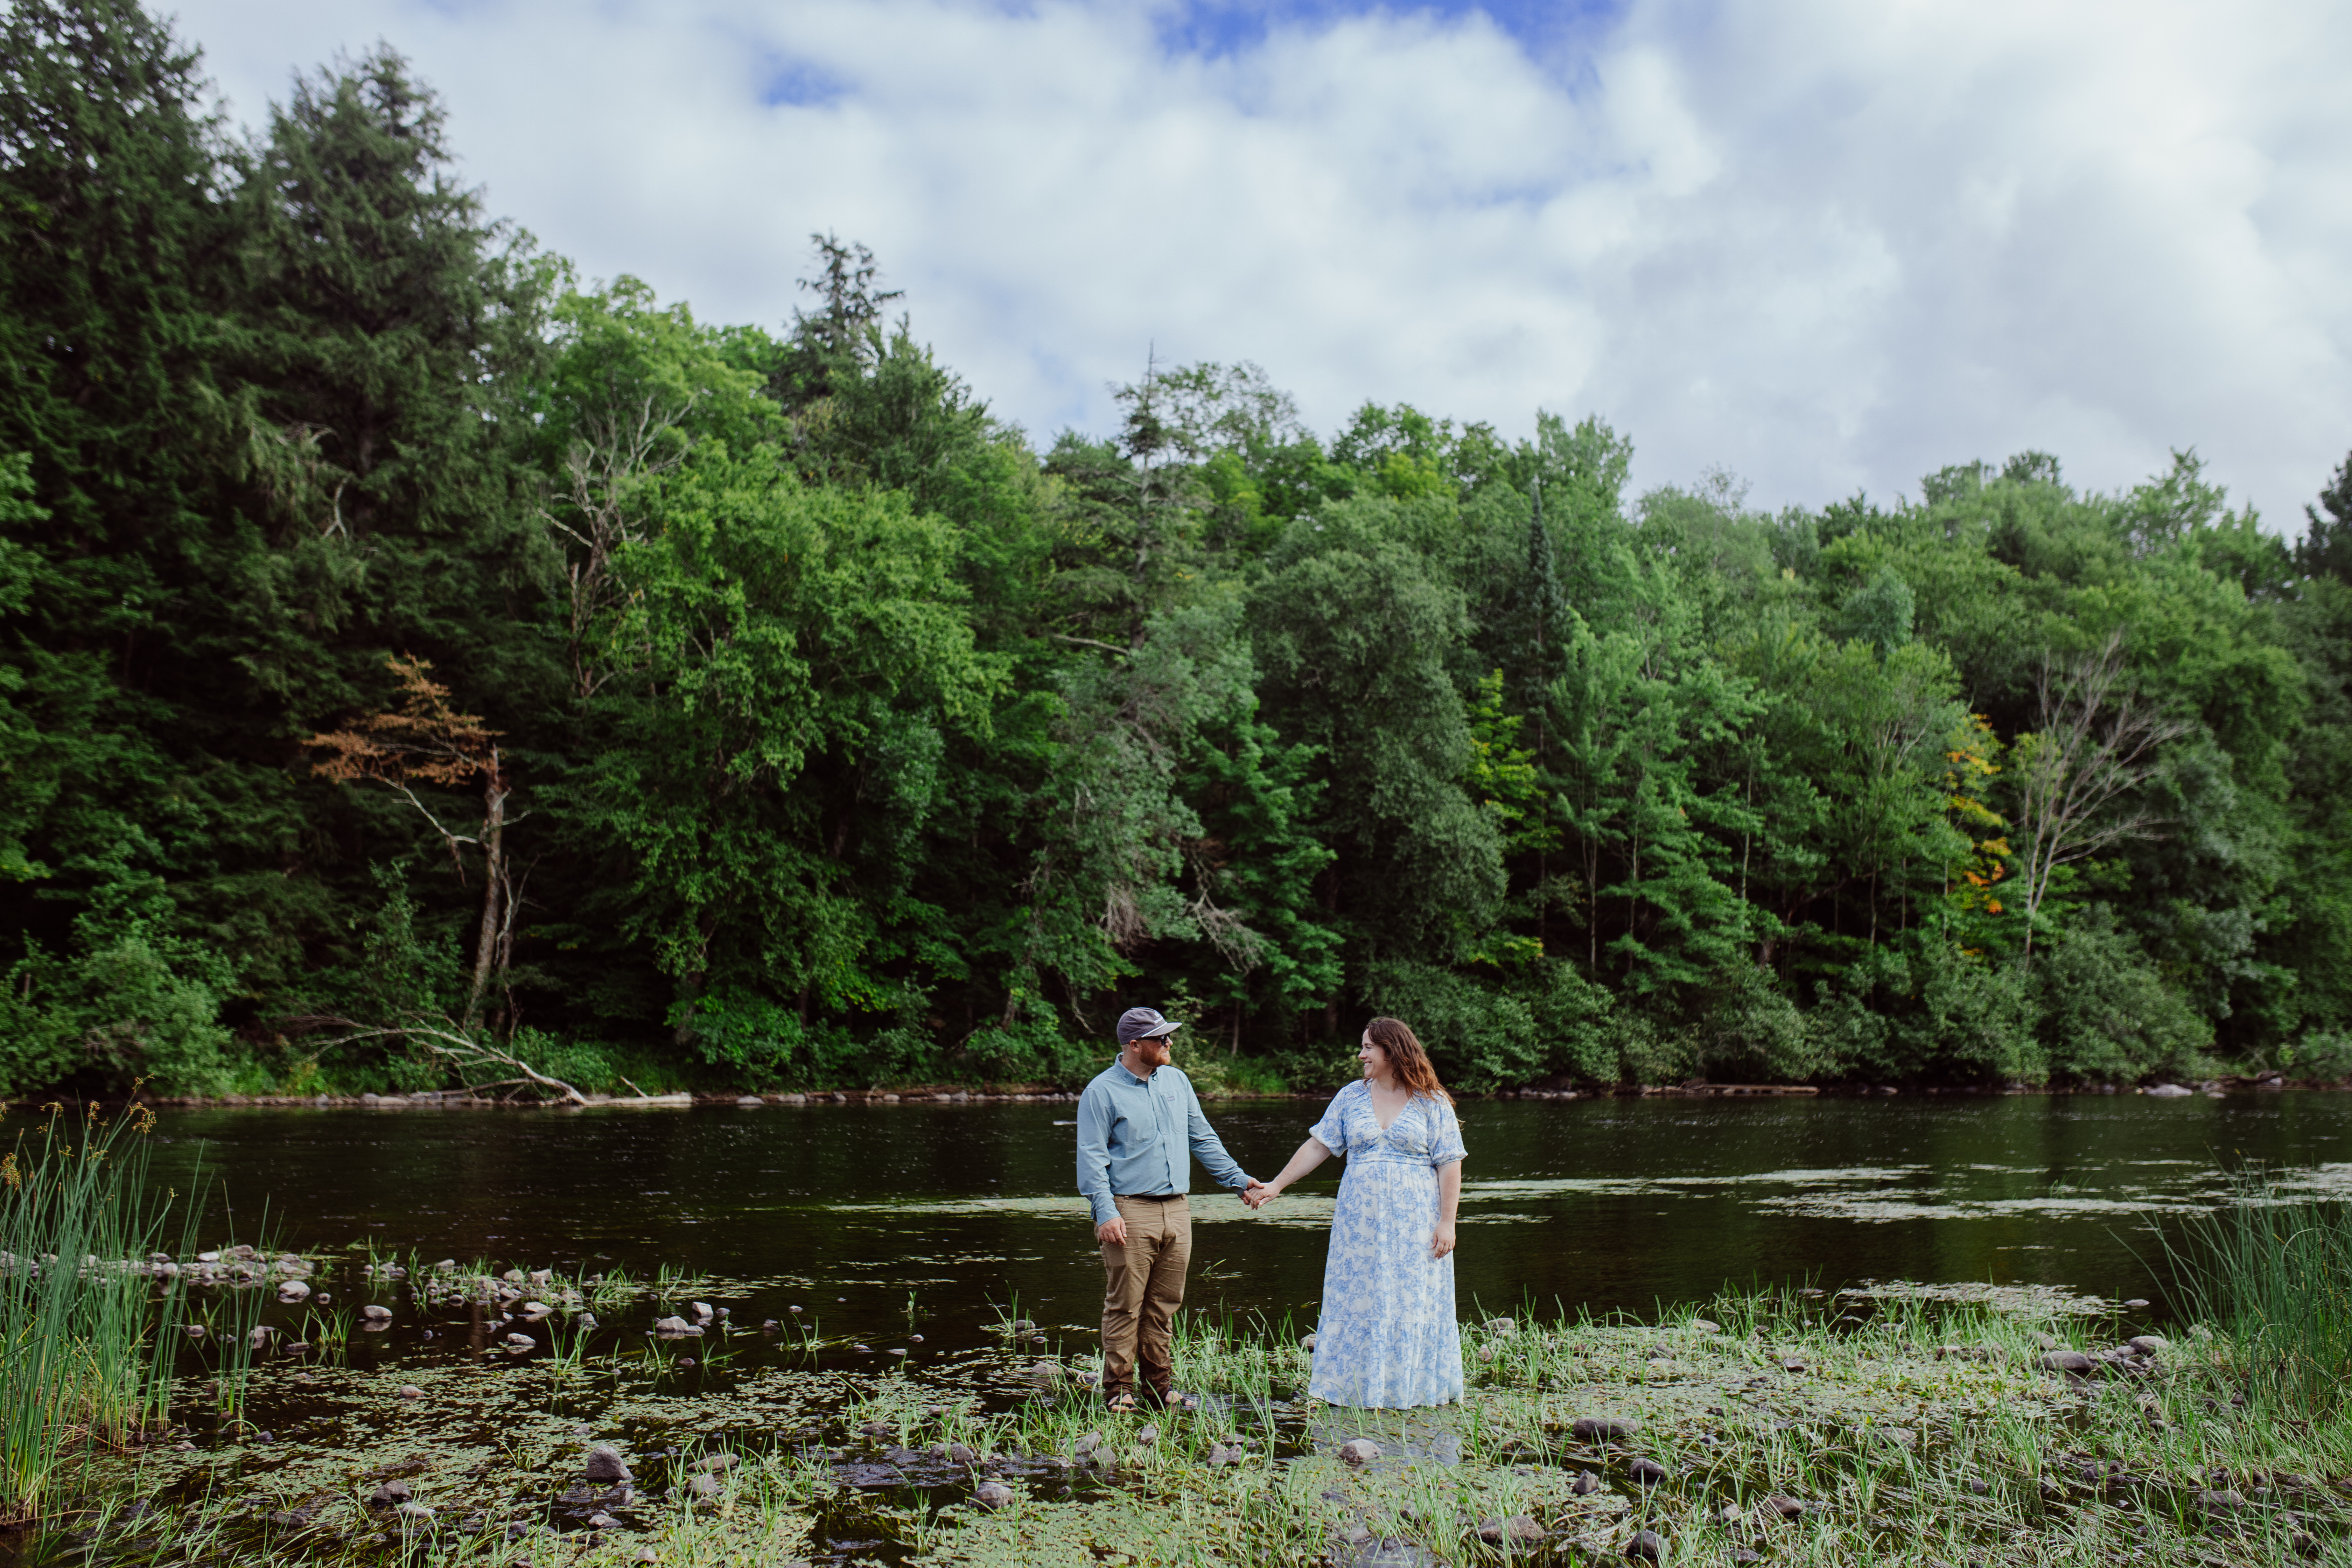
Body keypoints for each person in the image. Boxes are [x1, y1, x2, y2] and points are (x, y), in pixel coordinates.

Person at [1256, 1016, 1466, 1407]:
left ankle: (1411, 1388)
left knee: (1410, 1298)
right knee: (1357, 1296)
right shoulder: (1351, 1096)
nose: (1361, 1055)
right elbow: (1319, 1145)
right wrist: (1277, 1185)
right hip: (1359, 1224)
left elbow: (1450, 1163)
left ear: (1392, 1050)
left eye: (1369, 1047)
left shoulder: (1431, 1100)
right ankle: (1351, 1387)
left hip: (1415, 1223)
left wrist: (1447, 1222)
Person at [1075, 1006, 1267, 1410]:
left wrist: (1238, 1180)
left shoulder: (1177, 1081)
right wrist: (1105, 1211)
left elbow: (1202, 1138)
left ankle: (1159, 1388)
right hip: (1128, 1209)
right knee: (1125, 1305)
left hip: (1178, 1209)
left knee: (1164, 1305)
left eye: (1168, 1036)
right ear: (1135, 1044)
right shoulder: (1101, 1091)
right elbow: (1092, 1159)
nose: (1170, 1042)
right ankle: (1119, 1391)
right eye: (1161, 1038)